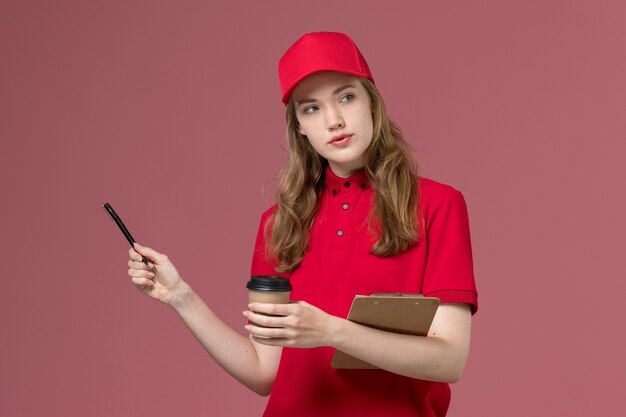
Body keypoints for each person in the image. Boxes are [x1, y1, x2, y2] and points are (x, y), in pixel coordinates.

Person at [127, 32, 478, 417]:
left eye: (346, 97)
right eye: (311, 109)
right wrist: (181, 297)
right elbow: (264, 371)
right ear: (299, 128)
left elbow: (450, 359)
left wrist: (330, 331)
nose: (334, 120)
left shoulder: (437, 205)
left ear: (372, 103)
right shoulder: (278, 225)